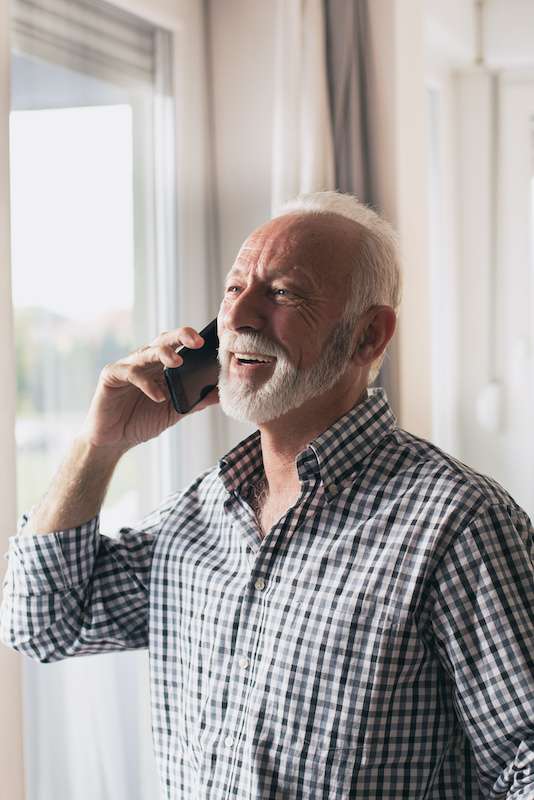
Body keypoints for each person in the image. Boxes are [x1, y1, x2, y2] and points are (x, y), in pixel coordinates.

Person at [1, 190, 533, 799]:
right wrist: (100, 444)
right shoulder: (201, 515)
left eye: (283, 293)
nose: (238, 318)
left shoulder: (458, 522)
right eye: (233, 290)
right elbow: (40, 623)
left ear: (367, 336)